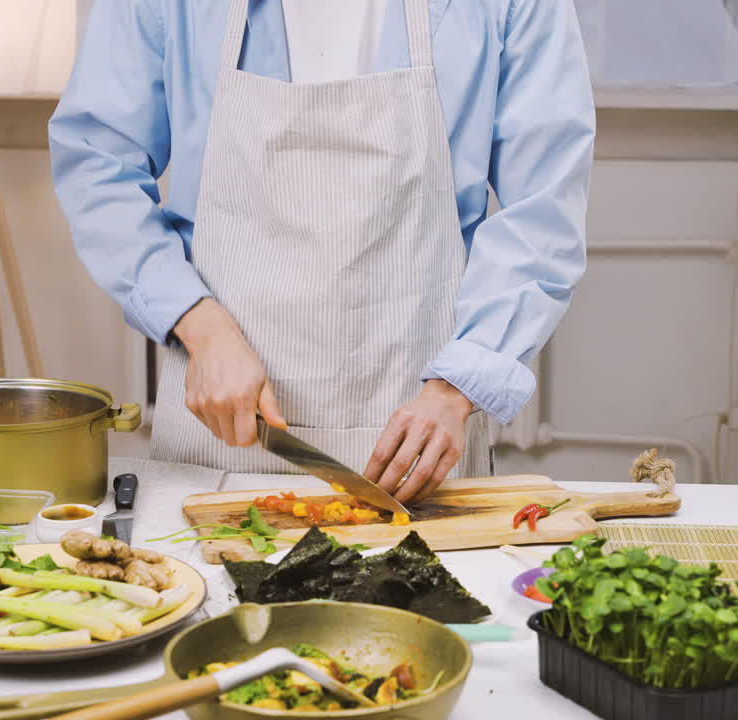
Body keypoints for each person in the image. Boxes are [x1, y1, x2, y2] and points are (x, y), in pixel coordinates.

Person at [50, 0, 594, 504]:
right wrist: (198, 324)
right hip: (222, 430)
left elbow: (543, 209)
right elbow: (99, 160)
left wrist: (456, 390)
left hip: (422, 438)